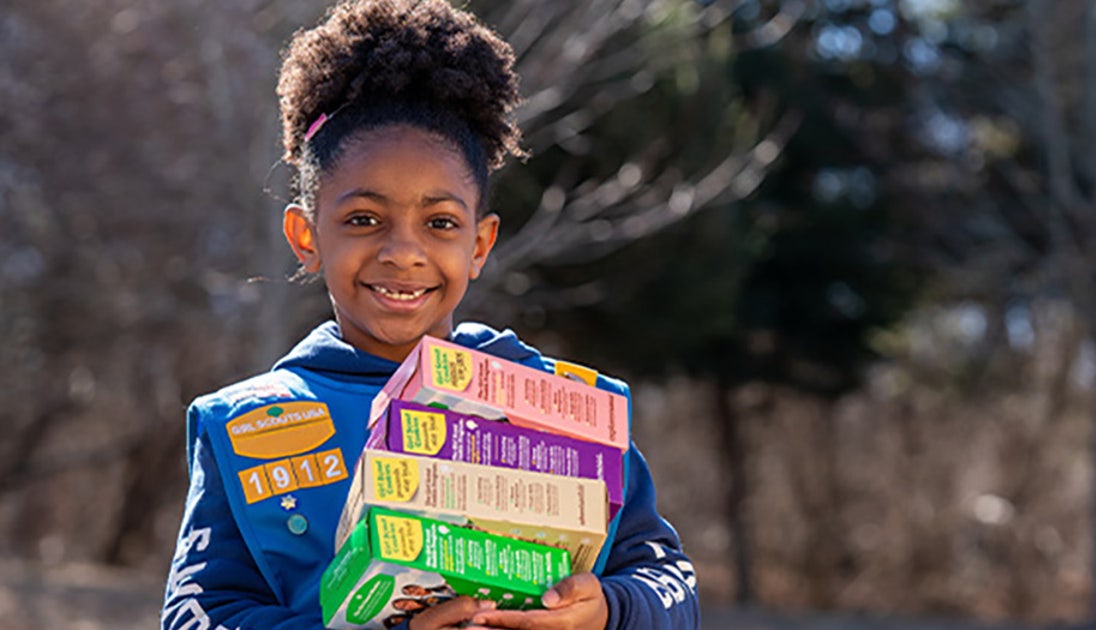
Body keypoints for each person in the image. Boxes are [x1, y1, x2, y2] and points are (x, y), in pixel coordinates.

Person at [160, 1, 700, 629]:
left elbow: (670, 584)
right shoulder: (248, 428)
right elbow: (198, 617)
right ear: (306, 237)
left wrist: (609, 608)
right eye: (363, 219)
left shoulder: (563, 412)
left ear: (479, 244)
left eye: (440, 223)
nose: (403, 253)